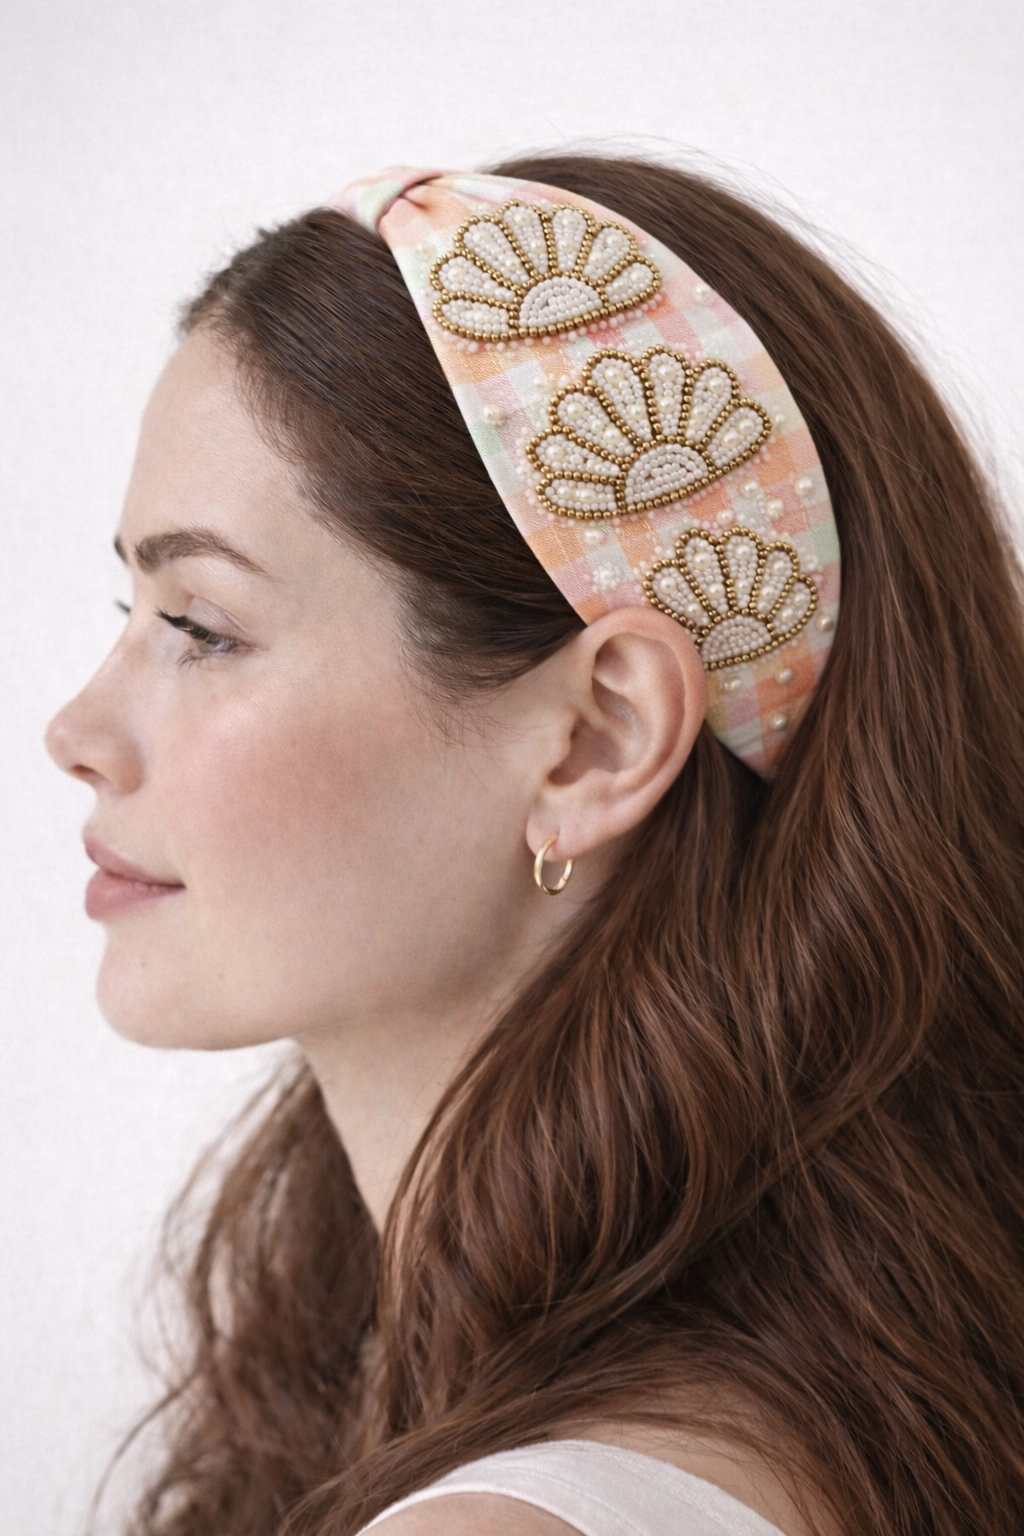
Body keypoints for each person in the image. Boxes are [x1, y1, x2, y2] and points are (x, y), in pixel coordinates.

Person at [43, 152, 1024, 1536]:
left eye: (199, 627)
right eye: (127, 612)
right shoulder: (852, 1405)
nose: (77, 728)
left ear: (596, 742)